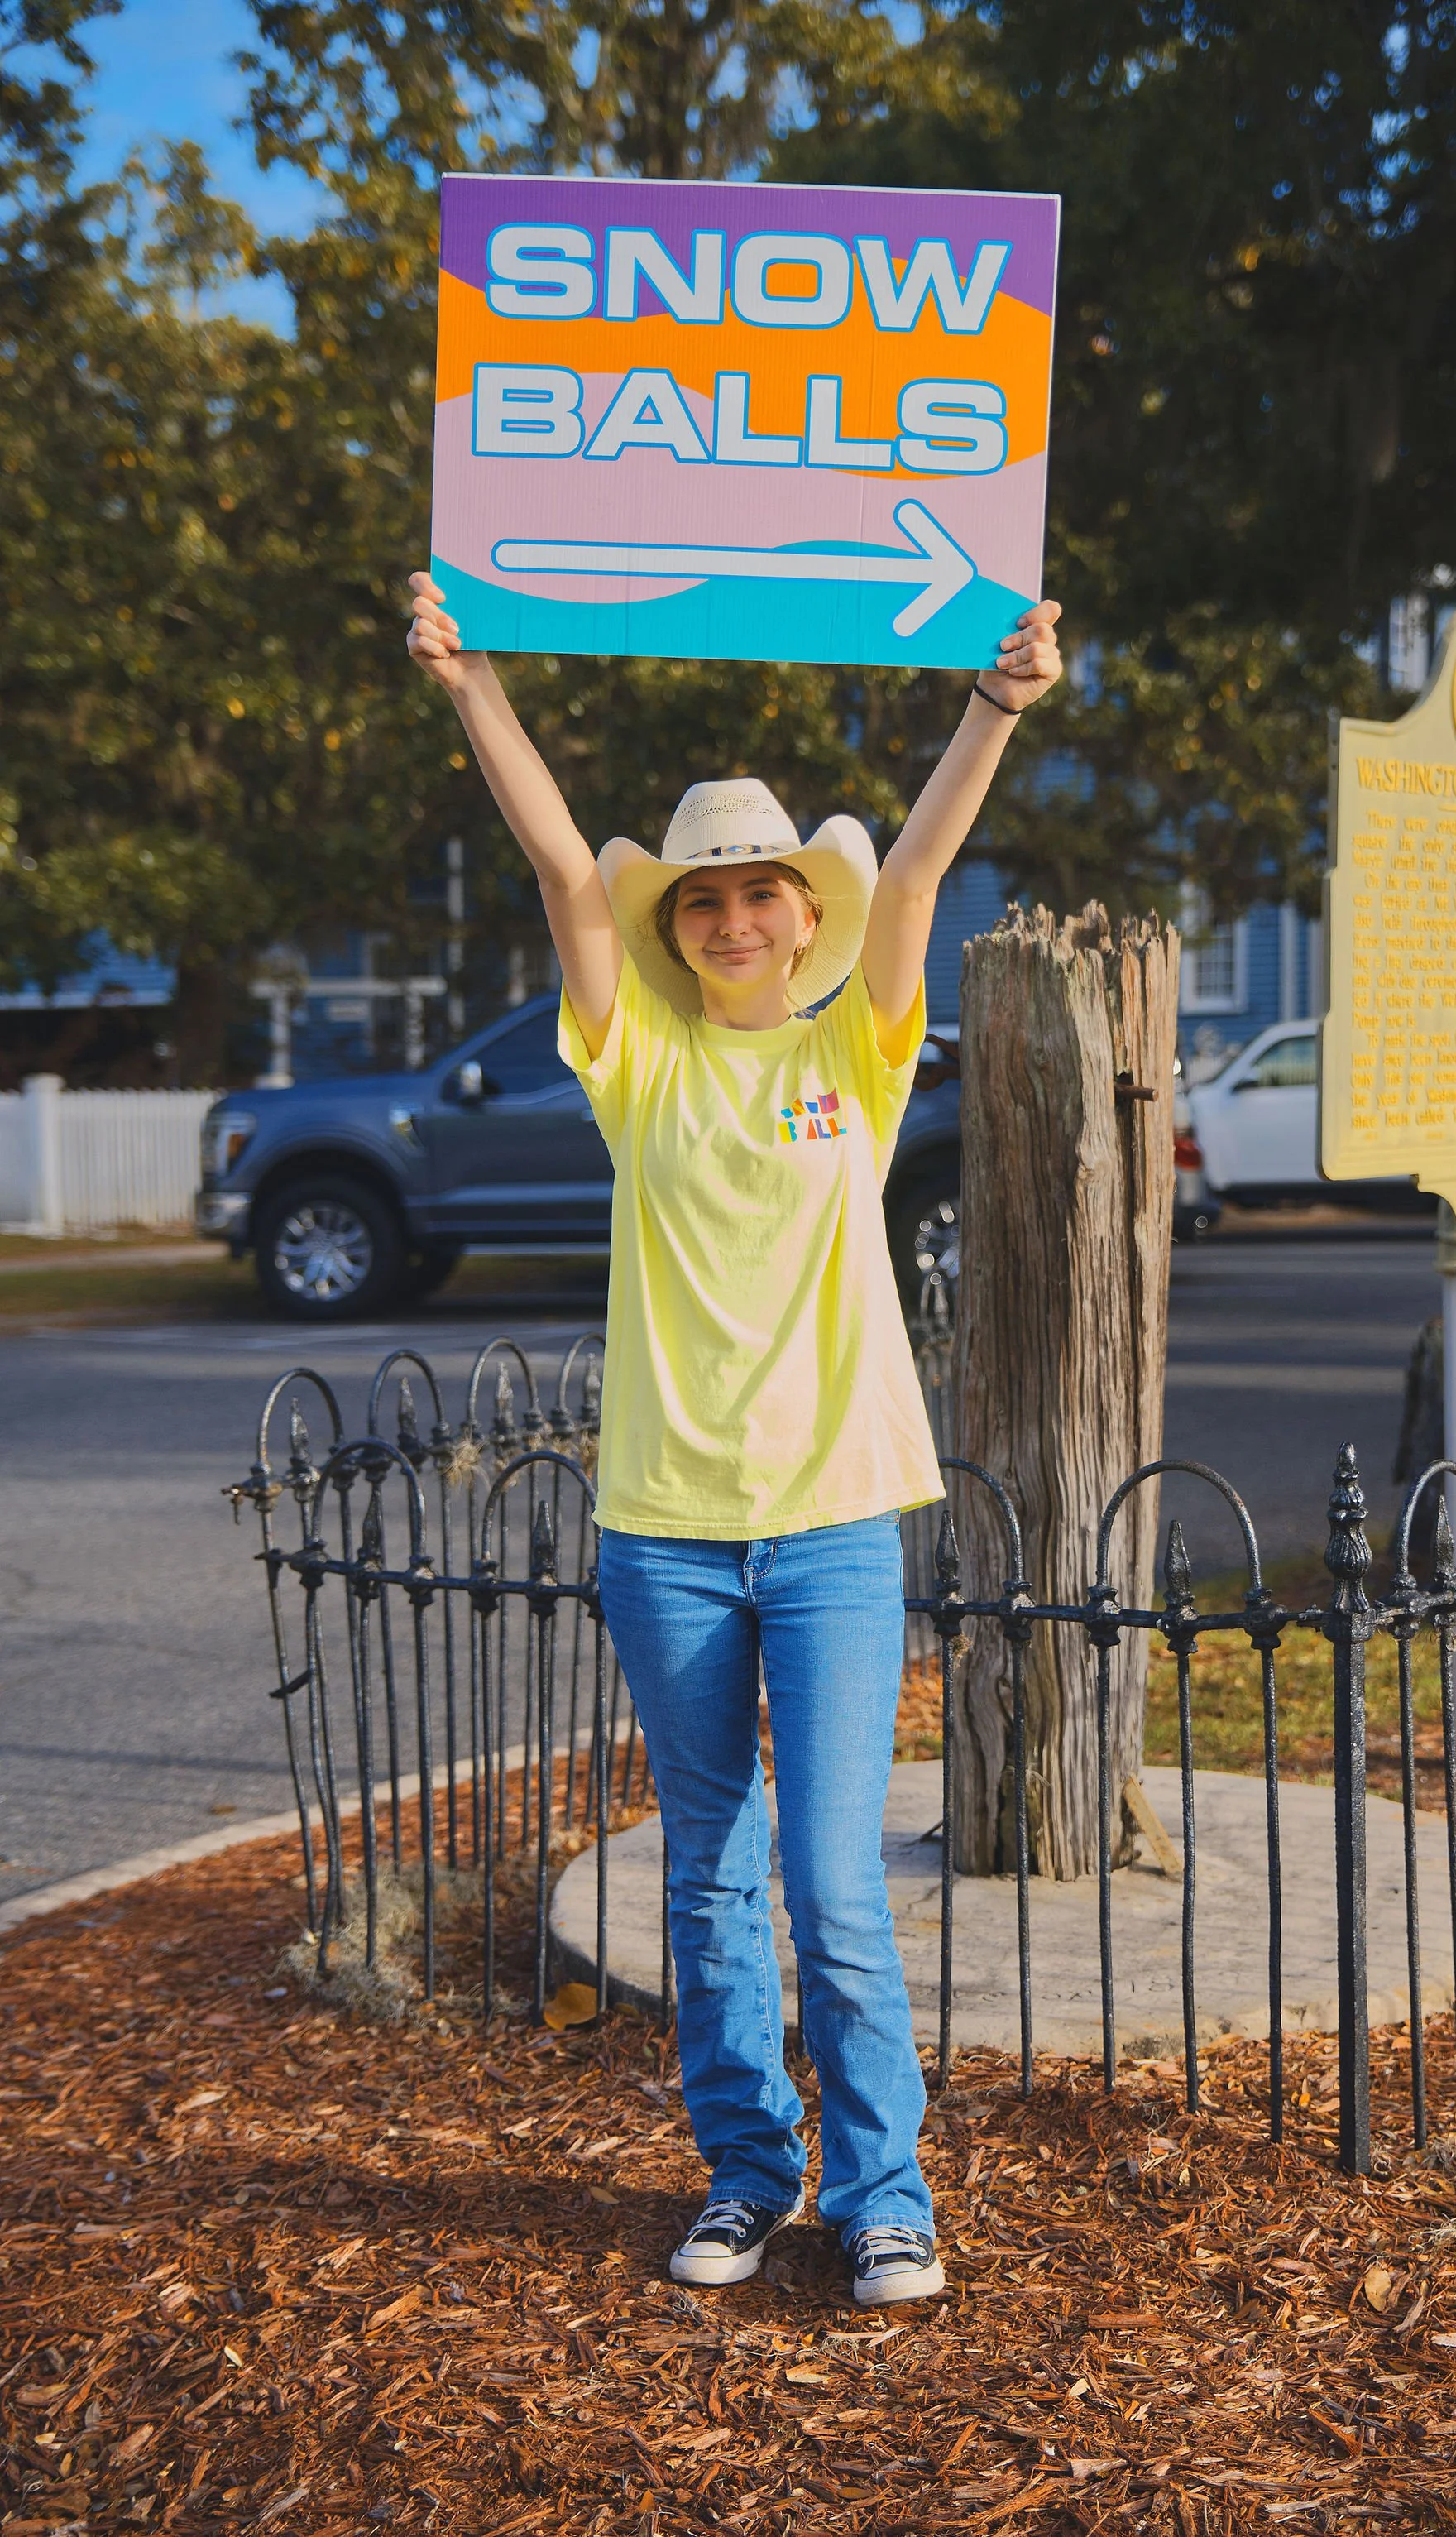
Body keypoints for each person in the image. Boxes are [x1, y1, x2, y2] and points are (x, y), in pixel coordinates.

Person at [406, 573, 1062, 2304]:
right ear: (682, 919)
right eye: (705, 894)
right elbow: (563, 871)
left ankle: (885, 2195)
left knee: (833, 1879)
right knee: (707, 1879)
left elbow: (916, 871)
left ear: (801, 912)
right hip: (669, 1527)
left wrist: (994, 704)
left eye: (762, 888)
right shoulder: (636, 1060)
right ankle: (744, 2173)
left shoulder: (865, 1037)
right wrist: (473, 682)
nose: (734, 914)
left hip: (838, 1517)